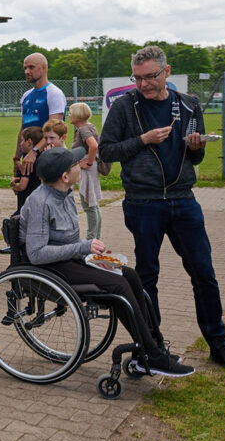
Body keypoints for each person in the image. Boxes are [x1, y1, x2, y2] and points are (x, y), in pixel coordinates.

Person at [99, 45, 225, 372]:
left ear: (166, 72)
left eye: (150, 76)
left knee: (204, 273)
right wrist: (144, 139)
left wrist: (196, 147)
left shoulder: (189, 104)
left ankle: (218, 344)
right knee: (147, 277)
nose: (143, 84)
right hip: (143, 202)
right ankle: (151, 349)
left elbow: (196, 157)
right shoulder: (124, 107)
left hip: (183, 200)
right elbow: (106, 151)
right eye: (137, 78)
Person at [19, 147, 194, 377]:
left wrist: (94, 257)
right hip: (50, 268)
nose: (81, 164)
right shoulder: (40, 202)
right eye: (75, 164)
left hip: (69, 260)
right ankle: (151, 355)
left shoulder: (65, 194)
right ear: (64, 176)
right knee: (117, 285)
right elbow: (36, 253)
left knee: (129, 275)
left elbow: (67, 240)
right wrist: (84, 247)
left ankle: (150, 347)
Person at [17, 53, 66, 175]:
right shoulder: (26, 96)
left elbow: (54, 130)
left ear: (44, 68)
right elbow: (23, 129)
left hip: (48, 158)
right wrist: (17, 158)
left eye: (31, 67)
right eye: (25, 68)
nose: (27, 71)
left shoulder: (54, 94)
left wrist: (34, 152)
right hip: (28, 159)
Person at [69, 102, 102, 240]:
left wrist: (88, 163)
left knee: (89, 205)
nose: (69, 115)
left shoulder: (83, 130)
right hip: (90, 169)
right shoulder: (89, 126)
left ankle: (91, 239)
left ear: (78, 115)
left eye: (71, 113)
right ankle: (95, 238)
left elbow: (93, 146)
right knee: (93, 204)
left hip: (87, 171)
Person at [10, 126, 44, 214]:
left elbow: (22, 186)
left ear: (29, 142)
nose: (20, 144)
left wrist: (14, 186)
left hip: (26, 203)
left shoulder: (28, 162)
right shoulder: (41, 158)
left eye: (22, 141)